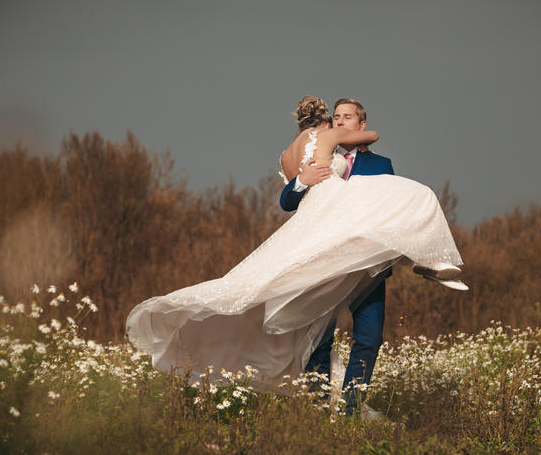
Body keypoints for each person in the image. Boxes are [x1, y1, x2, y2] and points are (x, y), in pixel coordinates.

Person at [125, 96, 465, 411]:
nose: (341, 121)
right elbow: (289, 200)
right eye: (336, 116)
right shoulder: (322, 144)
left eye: (348, 117)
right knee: (319, 337)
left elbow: (389, 215)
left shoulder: (380, 164)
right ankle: (320, 406)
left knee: (369, 337)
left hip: (365, 266)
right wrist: (301, 180)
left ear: (360, 123)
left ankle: (350, 407)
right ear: (327, 122)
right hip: (324, 248)